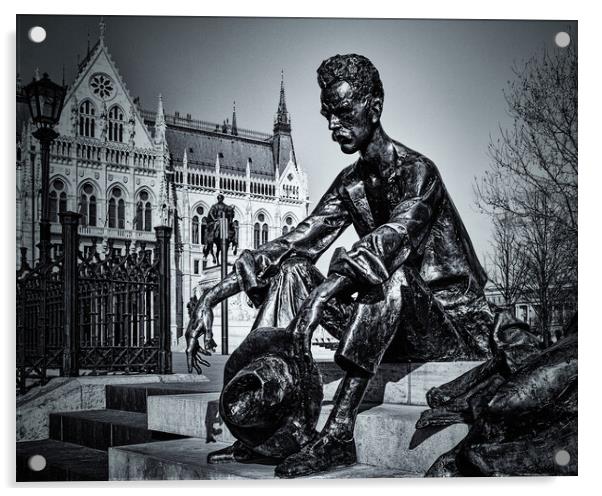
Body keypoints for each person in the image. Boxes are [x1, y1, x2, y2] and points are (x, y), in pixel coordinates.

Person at [187, 54, 500, 478]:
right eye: (327, 115)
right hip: (387, 326)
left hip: (449, 325)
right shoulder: (349, 183)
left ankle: (337, 435)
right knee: (294, 270)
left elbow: (392, 240)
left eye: (343, 111)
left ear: (374, 106)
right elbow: (297, 239)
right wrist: (213, 293)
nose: (334, 125)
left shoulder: (419, 173)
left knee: (393, 277)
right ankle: (271, 425)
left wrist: (331, 287)